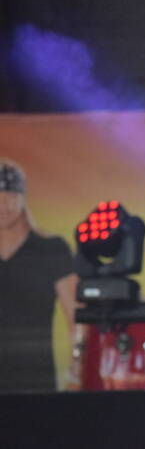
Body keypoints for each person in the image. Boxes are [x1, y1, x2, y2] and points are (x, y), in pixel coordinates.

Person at [0, 159, 78, 392]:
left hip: (36, 382)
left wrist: (76, 371)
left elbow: (76, 318)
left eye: (9, 196)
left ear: (22, 198)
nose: (3, 205)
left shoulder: (51, 249)